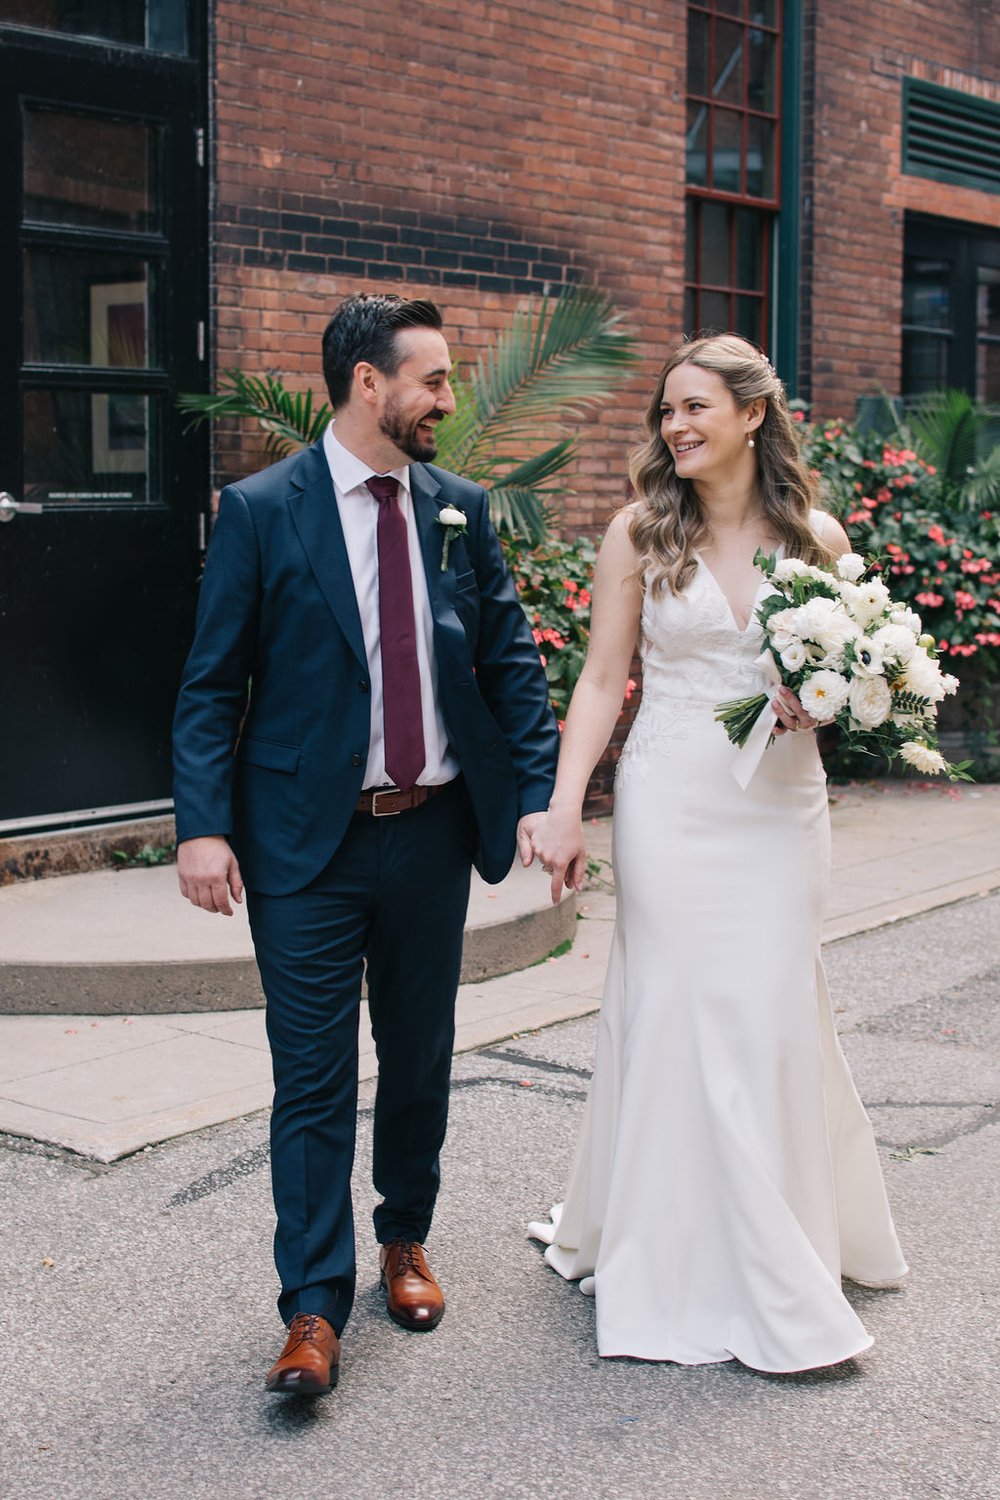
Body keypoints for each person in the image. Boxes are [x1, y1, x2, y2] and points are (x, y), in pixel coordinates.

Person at [173, 293, 559, 1395]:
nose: (449, 399)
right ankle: (309, 1308)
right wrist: (201, 827)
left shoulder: (459, 508)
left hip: (431, 838)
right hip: (305, 847)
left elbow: (508, 666)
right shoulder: (261, 510)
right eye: (433, 380)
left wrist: (536, 795)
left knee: (421, 1059)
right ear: (367, 384)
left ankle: (404, 1238)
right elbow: (210, 686)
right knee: (309, 1079)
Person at [528, 332, 907, 1373]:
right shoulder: (638, 534)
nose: (675, 426)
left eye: (695, 407)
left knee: (769, 1011)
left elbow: (847, 686)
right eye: (666, 411)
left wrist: (816, 702)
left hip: (781, 810)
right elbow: (602, 682)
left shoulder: (816, 537)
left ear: (752, 415)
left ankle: (781, 1230)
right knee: (686, 1009)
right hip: (671, 800)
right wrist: (566, 809)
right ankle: (688, 1260)